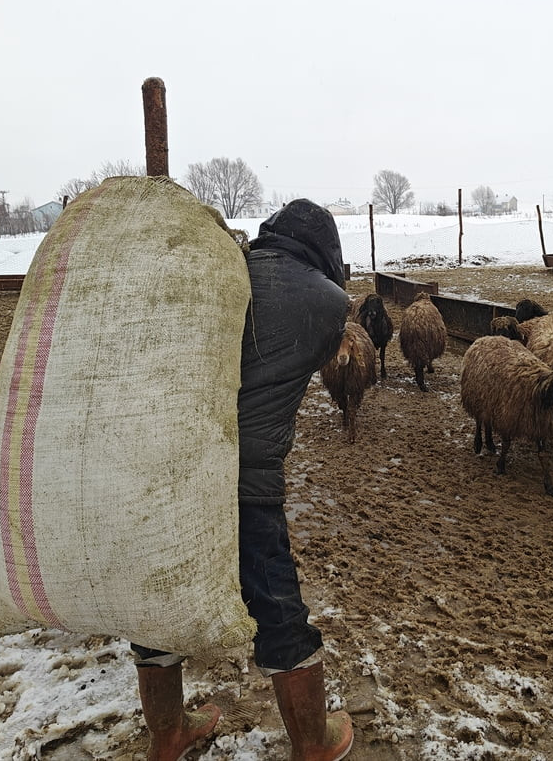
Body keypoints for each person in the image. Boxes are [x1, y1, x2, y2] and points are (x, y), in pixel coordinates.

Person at [132, 198, 354, 761]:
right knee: (276, 604)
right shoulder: (329, 303)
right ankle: (312, 741)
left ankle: (167, 734)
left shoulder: (225, 269)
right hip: (248, 484)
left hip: (176, 474)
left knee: (159, 602)